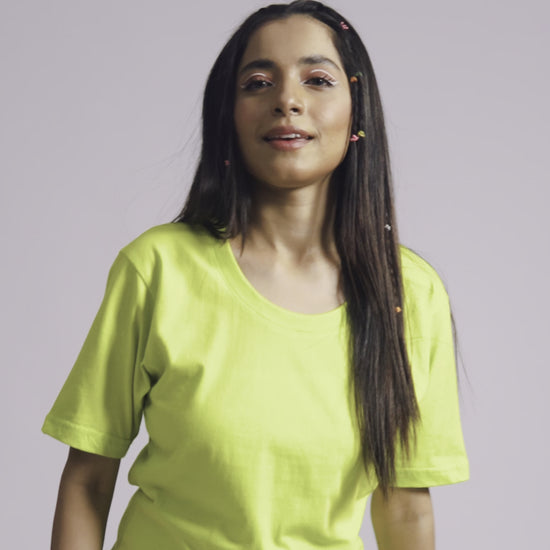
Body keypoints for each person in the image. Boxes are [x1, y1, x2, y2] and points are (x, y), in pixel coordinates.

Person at [42, 1, 469, 549]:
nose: (287, 100)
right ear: (229, 115)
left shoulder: (409, 293)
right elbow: (88, 480)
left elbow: (405, 509)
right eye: (258, 84)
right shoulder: (157, 269)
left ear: (357, 113)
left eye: (317, 80)